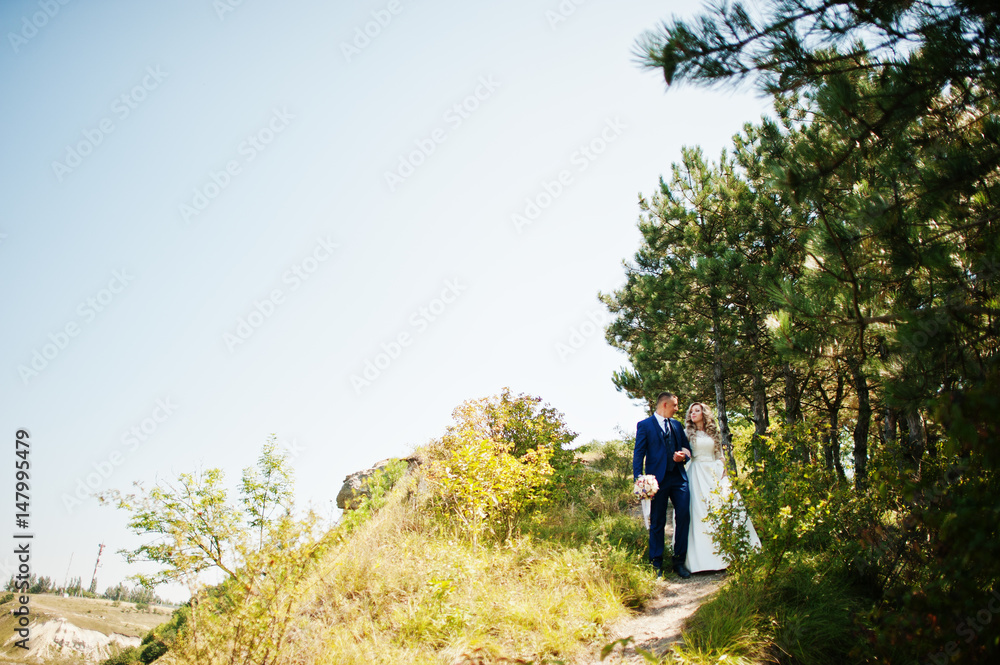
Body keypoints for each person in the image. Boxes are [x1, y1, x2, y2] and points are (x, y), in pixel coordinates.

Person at [683, 402, 761, 573]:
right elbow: (684, 453)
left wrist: (723, 469)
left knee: (724, 506)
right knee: (700, 511)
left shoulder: (713, 432)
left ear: (704, 413)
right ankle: (702, 560)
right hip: (697, 473)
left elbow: (719, 453)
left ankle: (731, 554)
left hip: (714, 472)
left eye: (697, 411)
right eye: (691, 411)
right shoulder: (687, 433)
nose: (693, 414)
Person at [633, 392, 692, 578]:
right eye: (675, 405)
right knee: (658, 521)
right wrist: (639, 478)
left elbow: (686, 448)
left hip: (678, 478)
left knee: (683, 516)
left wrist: (683, 456)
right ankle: (656, 563)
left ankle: (679, 561)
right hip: (656, 481)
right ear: (665, 405)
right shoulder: (644, 425)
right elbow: (639, 453)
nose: (677, 409)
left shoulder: (676, 425)